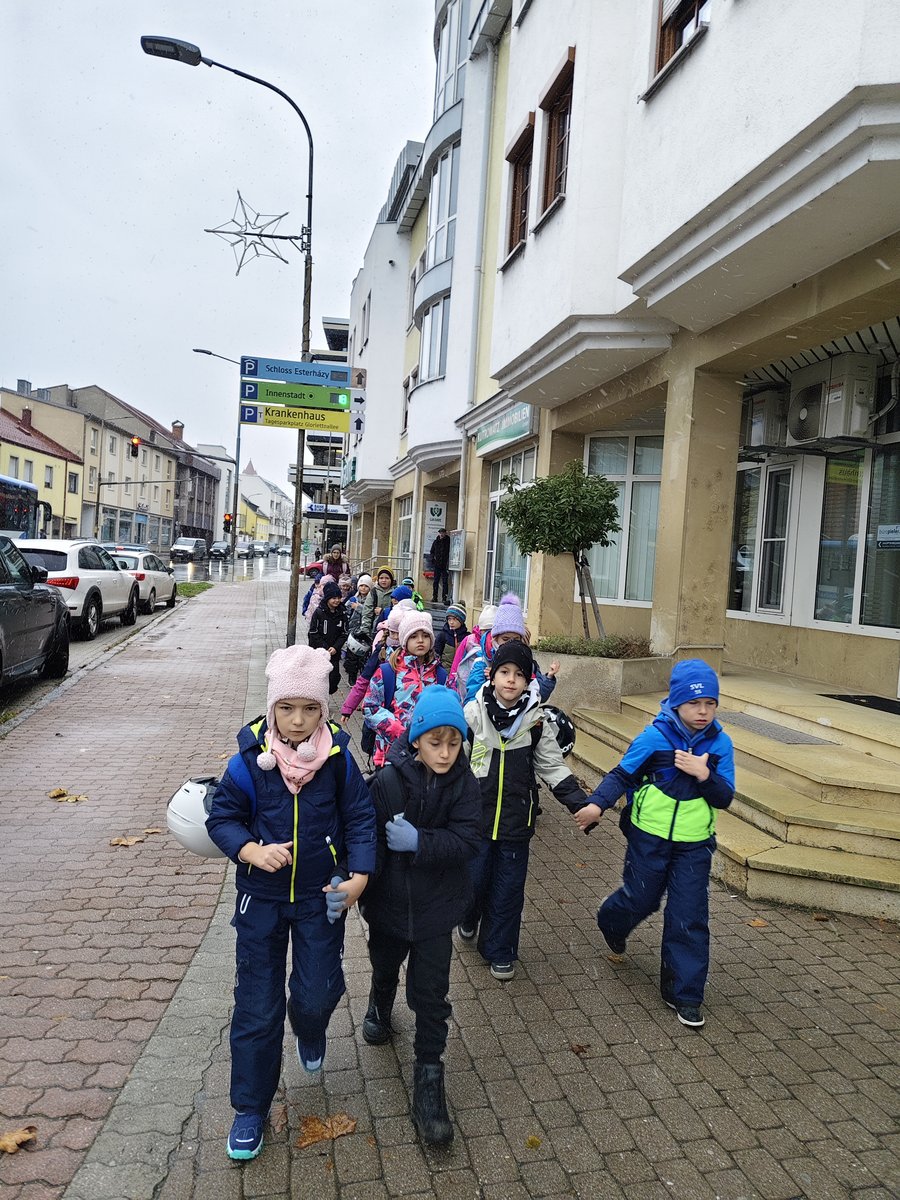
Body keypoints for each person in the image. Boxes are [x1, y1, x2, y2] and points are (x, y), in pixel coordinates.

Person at [206, 646, 376, 1162]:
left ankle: (311, 1026)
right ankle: (250, 1108)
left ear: (323, 708)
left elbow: (360, 818)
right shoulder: (248, 764)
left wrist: (359, 877)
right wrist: (250, 850)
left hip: (320, 898)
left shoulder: (338, 760)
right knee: (257, 1007)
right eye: (286, 708)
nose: (298, 720)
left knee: (317, 991)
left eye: (309, 708)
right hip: (261, 900)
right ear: (272, 707)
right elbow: (221, 818)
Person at [575, 660, 735, 1029]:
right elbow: (622, 774)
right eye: (695, 703)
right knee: (641, 899)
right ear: (677, 702)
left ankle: (684, 993)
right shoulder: (654, 737)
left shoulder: (720, 744)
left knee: (689, 915)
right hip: (649, 838)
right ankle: (612, 920)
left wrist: (705, 775)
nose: (703, 711)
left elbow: (725, 797)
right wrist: (597, 804)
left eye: (710, 704)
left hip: (695, 845)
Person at [359, 686, 481, 1145]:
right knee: (384, 964)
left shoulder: (466, 785)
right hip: (389, 908)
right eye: (435, 742)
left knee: (431, 996)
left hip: (436, 911)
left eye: (454, 742)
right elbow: (367, 842)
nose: (445, 753)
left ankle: (429, 1078)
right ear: (416, 741)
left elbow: (469, 841)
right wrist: (352, 884)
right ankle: (379, 1000)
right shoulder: (388, 783)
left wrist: (421, 842)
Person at [462, 640, 587, 981]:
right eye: (505, 672)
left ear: (528, 680)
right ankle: (468, 914)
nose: (511, 680)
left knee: (508, 890)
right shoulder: (473, 715)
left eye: (519, 674)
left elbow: (552, 766)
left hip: (517, 821)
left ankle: (500, 949)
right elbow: (454, 761)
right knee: (473, 882)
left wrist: (580, 803)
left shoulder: (536, 722)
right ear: (492, 675)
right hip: (476, 820)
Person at [363, 610, 446, 768]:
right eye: (413, 636)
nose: (420, 640)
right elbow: (370, 706)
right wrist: (398, 731)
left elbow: (446, 710)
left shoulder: (440, 675)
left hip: (427, 756)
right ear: (404, 640)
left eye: (425, 636)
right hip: (391, 754)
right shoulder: (388, 671)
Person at [463, 593, 558, 704]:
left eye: (516, 639)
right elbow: (472, 703)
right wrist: (495, 680)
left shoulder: (528, 662)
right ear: (495, 639)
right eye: (505, 639)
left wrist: (548, 678)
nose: (511, 643)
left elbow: (540, 696)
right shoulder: (482, 664)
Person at [308, 580, 348, 694]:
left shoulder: (342, 613)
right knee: (319, 678)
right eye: (333, 598)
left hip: (334, 652)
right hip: (320, 651)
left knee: (333, 679)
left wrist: (336, 647)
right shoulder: (319, 612)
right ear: (327, 598)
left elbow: (344, 633)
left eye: (338, 598)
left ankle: (328, 694)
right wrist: (324, 647)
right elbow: (313, 632)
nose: (336, 601)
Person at [449, 603, 495, 693]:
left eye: (492, 631)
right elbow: (456, 663)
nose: (489, 635)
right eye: (485, 631)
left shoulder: (498, 644)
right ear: (480, 629)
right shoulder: (469, 640)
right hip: (465, 687)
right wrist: (452, 684)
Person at [343, 574, 373, 687]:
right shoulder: (353, 599)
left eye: (366, 586)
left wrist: (358, 607)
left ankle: (362, 680)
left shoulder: (371, 600)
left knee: (363, 657)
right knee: (351, 656)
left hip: (365, 632)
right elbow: (345, 611)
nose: (363, 588)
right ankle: (352, 678)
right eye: (361, 586)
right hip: (353, 631)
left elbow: (370, 612)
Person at [360, 565, 397, 637]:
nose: (384, 580)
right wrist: (365, 631)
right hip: (375, 629)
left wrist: (383, 611)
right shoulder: (373, 592)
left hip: (392, 629)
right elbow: (367, 612)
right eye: (381, 578)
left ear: (391, 579)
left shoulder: (396, 592)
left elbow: (399, 610)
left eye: (387, 578)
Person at [434, 603, 468, 671]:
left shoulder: (467, 637)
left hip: (461, 673)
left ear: (461, 620)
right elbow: (436, 655)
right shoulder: (442, 635)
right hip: (445, 673)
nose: (451, 622)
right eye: (449, 619)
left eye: (454, 619)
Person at [429, 527, 451, 604]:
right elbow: (432, 551)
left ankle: (444, 597)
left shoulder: (448, 541)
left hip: (445, 564)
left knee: (445, 581)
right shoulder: (436, 542)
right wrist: (433, 559)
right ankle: (435, 597)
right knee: (436, 581)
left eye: (443, 533)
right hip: (437, 564)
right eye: (440, 533)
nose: (442, 534)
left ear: (445, 533)